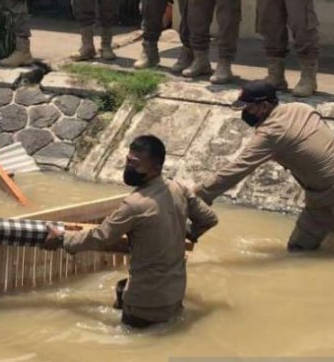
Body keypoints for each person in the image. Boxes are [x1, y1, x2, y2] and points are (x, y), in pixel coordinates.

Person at [44, 135, 218, 328]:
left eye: (135, 164)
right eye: (128, 160)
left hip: (144, 304)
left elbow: (101, 237)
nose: (128, 168)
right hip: (174, 295)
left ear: (156, 167)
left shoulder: (135, 204)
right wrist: (188, 233)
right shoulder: (178, 188)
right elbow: (209, 219)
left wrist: (62, 239)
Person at [194, 81, 334, 252]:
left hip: (333, 189)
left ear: (263, 106)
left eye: (248, 108)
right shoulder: (302, 108)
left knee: (299, 249)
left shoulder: (271, 133)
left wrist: (199, 194)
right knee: (332, 224)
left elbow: (237, 169)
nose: (245, 113)